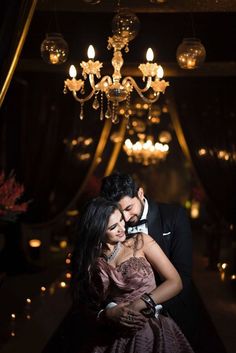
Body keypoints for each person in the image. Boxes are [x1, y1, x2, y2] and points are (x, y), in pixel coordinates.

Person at [70, 197, 194, 353]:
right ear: (98, 231)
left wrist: (137, 305)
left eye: (122, 220)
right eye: (114, 226)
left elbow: (176, 282)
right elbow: (84, 306)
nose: (123, 227)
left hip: (150, 329)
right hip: (111, 334)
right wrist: (107, 314)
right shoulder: (90, 261)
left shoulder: (141, 241)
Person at [100, 172, 199, 347]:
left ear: (140, 193)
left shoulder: (174, 216)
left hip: (169, 314)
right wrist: (112, 310)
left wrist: (147, 308)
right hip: (122, 325)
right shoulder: (114, 227)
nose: (126, 218)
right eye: (119, 212)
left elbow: (183, 276)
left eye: (129, 208)